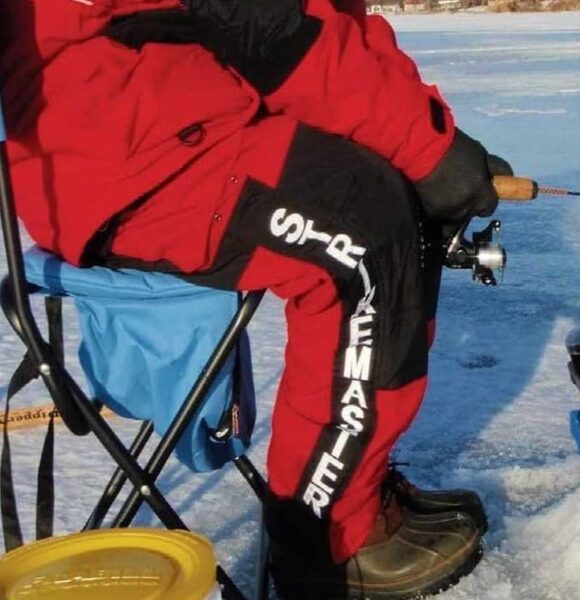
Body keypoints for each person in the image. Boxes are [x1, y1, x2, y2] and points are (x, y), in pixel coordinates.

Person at [1, 0, 512, 597]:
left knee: (386, 185)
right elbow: (262, 22)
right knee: (365, 232)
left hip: (178, 109)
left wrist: (427, 134)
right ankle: (328, 542)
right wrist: (429, 153)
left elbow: (326, 20)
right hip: (115, 149)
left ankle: (356, 488)